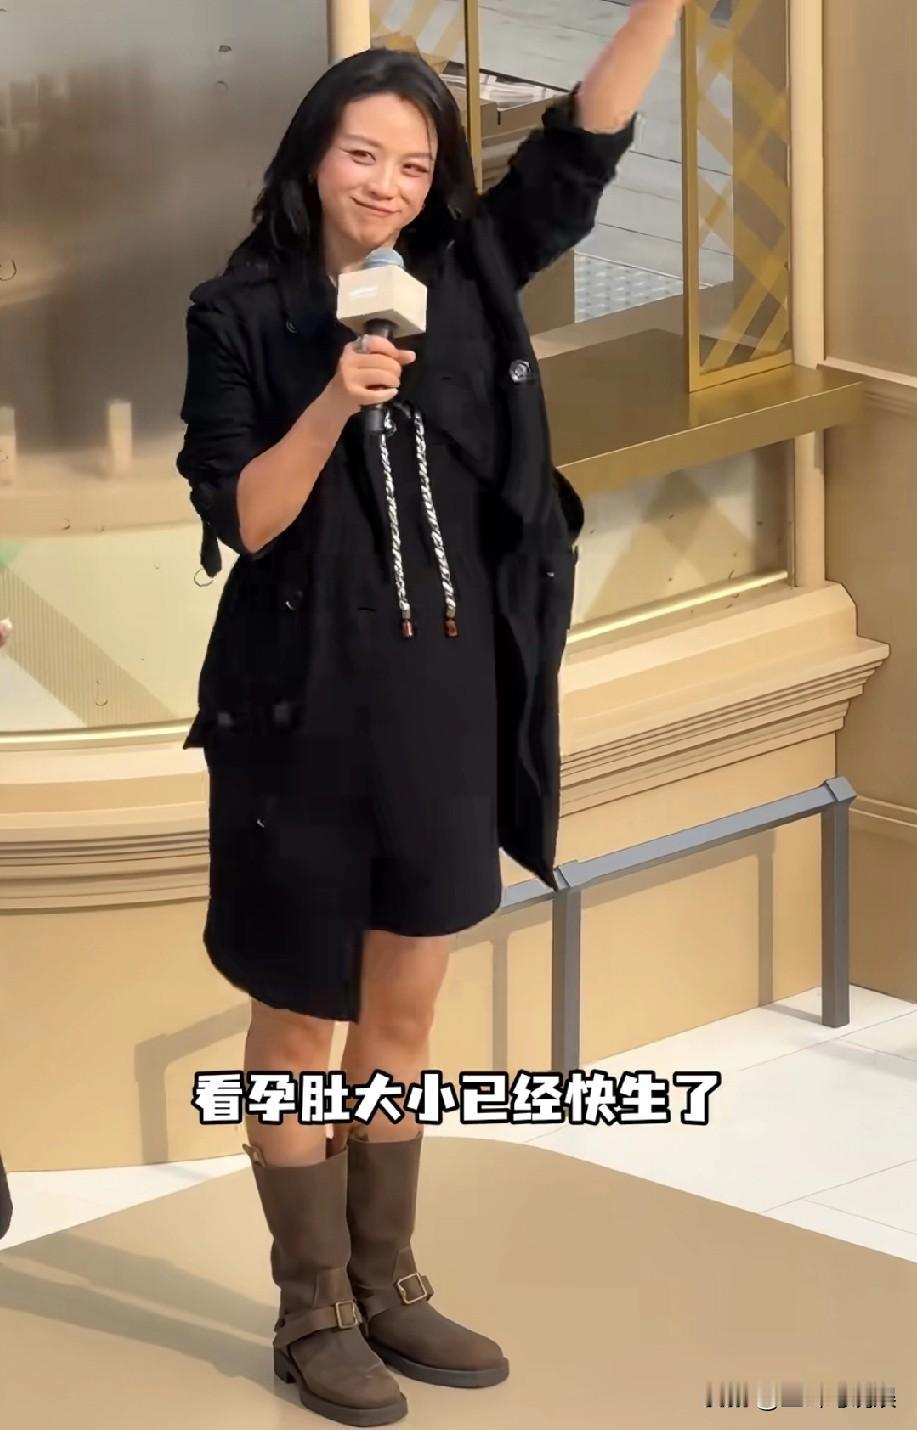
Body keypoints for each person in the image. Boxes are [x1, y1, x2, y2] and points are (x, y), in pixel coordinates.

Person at [176, 3, 686, 1423]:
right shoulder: (236, 313)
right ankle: (310, 1307)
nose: (388, 186)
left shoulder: (462, 271)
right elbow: (247, 518)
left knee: (402, 1014)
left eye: (413, 165)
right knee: (298, 1026)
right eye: (363, 155)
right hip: (298, 722)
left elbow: (581, 148)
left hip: (446, 710)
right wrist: (335, 400)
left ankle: (387, 1279)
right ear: (313, 155)